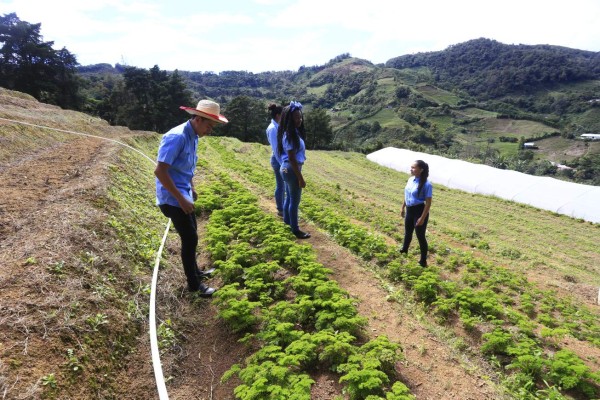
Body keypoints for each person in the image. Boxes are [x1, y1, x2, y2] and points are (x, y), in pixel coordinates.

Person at [154, 99, 228, 296]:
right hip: (172, 199)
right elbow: (160, 171)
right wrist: (181, 199)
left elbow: (186, 167)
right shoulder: (176, 137)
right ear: (197, 119)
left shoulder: (194, 135)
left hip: (183, 193)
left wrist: (191, 187)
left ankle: (196, 272)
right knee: (189, 240)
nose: (210, 130)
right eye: (209, 126)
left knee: (193, 235)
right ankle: (195, 286)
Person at [277, 101, 311, 239]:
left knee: (289, 197)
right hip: (291, 169)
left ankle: (287, 222)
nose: (299, 120)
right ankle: (295, 230)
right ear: (290, 119)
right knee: (294, 201)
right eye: (296, 118)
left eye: (300, 117)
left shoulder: (291, 133)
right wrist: (300, 178)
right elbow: (292, 158)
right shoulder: (290, 135)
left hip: (286, 169)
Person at [400, 160, 432, 267]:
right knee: (407, 232)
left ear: (421, 170)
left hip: (419, 211)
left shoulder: (427, 184)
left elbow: (428, 203)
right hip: (410, 210)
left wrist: (422, 218)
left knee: (420, 236)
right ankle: (404, 250)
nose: (411, 169)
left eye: (413, 167)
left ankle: (423, 261)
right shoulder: (410, 180)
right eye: (411, 167)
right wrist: (403, 207)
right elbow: (407, 195)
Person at [266, 104, 284, 216]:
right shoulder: (273, 129)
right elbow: (276, 149)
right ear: (278, 115)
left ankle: (283, 206)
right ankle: (280, 208)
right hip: (278, 160)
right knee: (281, 185)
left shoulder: (278, 126)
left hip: (280, 159)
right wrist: (283, 164)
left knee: (283, 185)